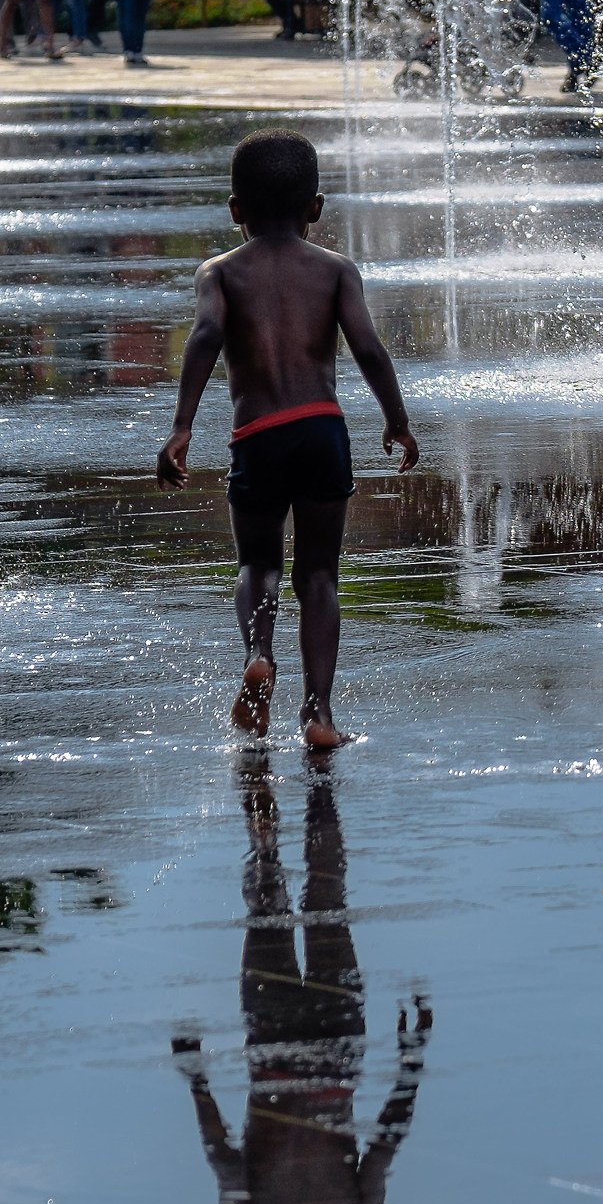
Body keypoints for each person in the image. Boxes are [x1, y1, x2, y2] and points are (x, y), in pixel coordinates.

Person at [157, 131, 417, 745]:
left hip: (258, 433)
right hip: (323, 429)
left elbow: (204, 337)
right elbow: (369, 347)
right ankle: (318, 714)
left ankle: (259, 653)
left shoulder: (220, 273)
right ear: (315, 207)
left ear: (235, 209)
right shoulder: (336, 270)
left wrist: (182, 425)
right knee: (320, 575)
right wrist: (397, 420)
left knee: (258, 563)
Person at [174, 764, 429, 1204]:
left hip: (337, 1047)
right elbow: (217, 1145)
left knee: (326, 899)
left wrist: (411, 1064)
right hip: (273, 1045)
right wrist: (195, 1074)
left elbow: (389, 1137)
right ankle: (263, 798)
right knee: (267, 903)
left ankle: (320, 785)